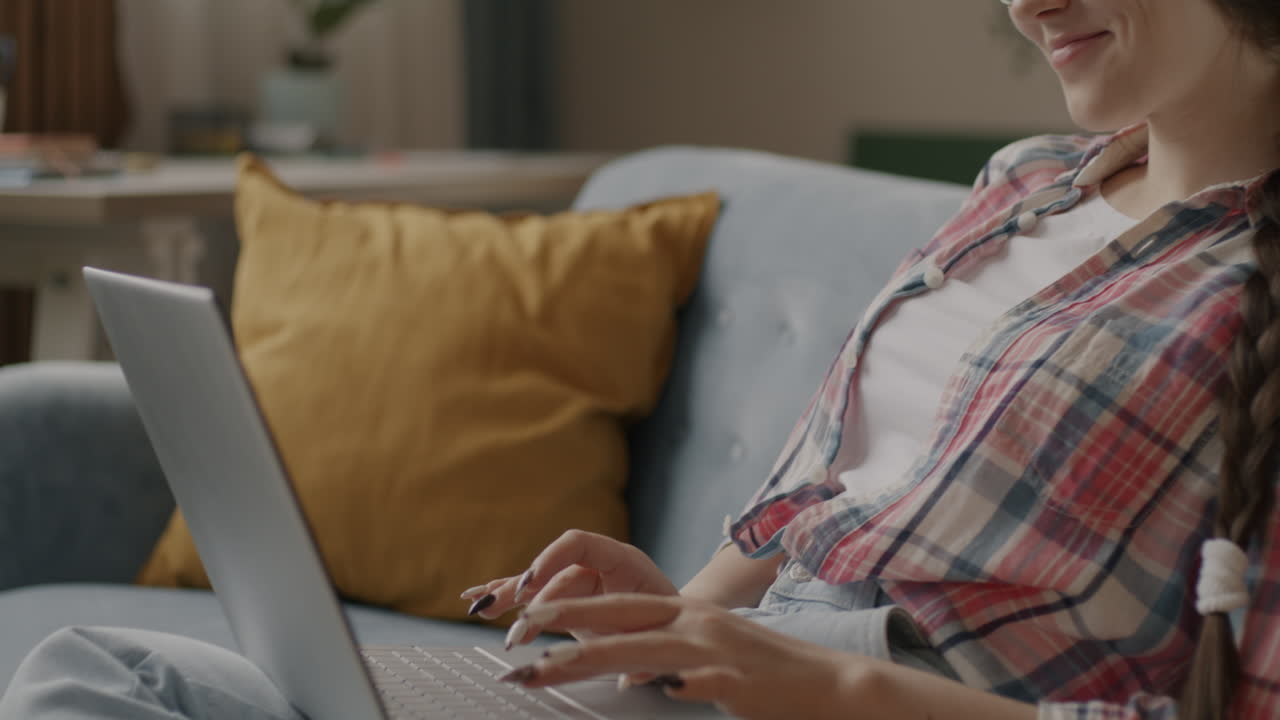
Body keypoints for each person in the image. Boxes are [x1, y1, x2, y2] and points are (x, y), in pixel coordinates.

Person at [3, 0, 1279, 718]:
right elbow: (819, 498)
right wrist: (681, 611)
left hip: (872, 706)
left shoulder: (1251, 289)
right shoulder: (1022, 187)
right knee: (93, 673)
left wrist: (828, 685)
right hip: (731, 686)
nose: (1025, 1)